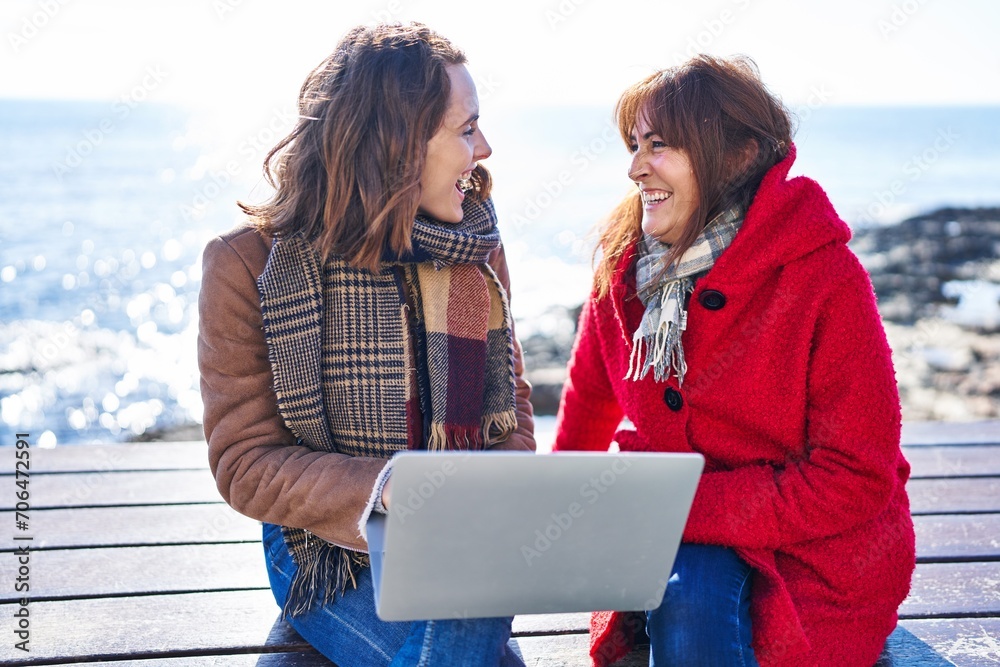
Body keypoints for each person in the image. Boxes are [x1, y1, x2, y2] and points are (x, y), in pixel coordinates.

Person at [552, 55, 915, 667]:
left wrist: (676, 509)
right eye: (635, 145)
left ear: (738, 155)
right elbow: (590, 401)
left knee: (692, 602)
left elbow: (856, 476)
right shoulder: (622, 269)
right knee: (684, 591)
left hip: (809, 554)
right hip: (665, 532)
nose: (636, 167)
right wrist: (561, 518)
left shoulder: (823, 276)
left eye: (660, 145)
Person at [197, 23, 534, 667]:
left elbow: (513, 417)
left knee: (469, 606)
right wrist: (394, 491)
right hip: (325, 552)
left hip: (464, 548)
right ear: (398, 146)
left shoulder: (478, 252)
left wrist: (489, 502)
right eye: (466, 130)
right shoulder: (247, 263)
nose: (484, 148)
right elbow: (245, 462)